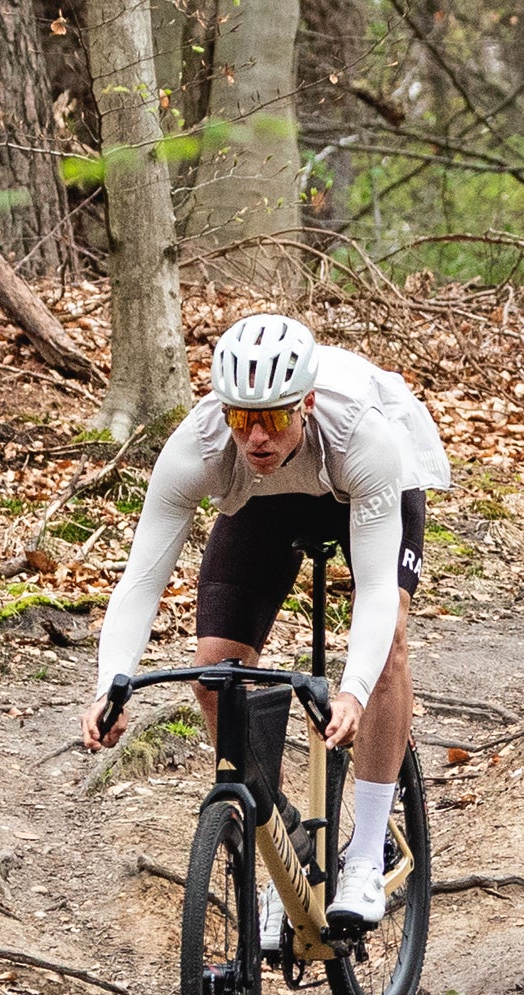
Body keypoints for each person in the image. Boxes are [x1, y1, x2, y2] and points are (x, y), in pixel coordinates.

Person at [82, 313, 452, 935]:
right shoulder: (200, 445)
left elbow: (377, 594)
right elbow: (141, 580)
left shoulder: (364, 435)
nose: (256, 435)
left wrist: (354, 690)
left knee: (385, 645)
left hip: (364, 489)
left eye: (274, 418)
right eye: (240, 418)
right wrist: (110, 684)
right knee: (215, 672)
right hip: (265, 504)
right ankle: (288, 848)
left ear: (305, 403)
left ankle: (363, 856)